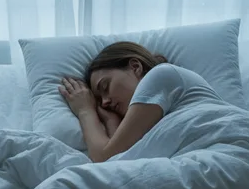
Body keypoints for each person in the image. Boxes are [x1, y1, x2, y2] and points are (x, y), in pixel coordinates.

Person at [58, 41, 224, 162]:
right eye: (100, 101)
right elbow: (120, 161)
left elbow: (105, 157)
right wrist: (111, 120)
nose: (105, 102)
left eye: (105, 86)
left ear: (135, 67)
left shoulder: (161, 75)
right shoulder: (152, 122)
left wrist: (86, 111)